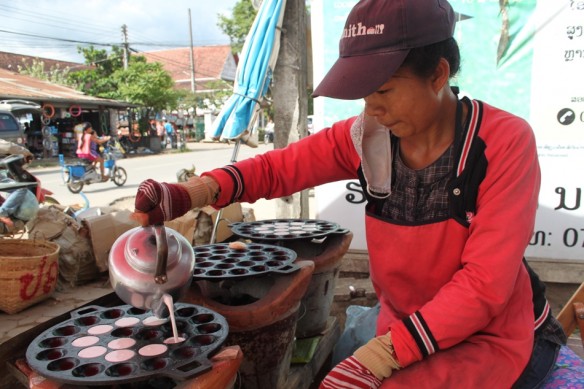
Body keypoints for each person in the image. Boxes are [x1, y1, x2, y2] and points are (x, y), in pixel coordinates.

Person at [131, 0, 566, 387]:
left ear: (438, 74)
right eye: (363, 94)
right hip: (405, 330)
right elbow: (278, 167)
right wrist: (192, 192)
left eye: (384, 90)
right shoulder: (368, 136)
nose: (371, 109)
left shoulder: (504, 142)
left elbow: (484, 286)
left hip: (489, 336)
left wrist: (380, 356)